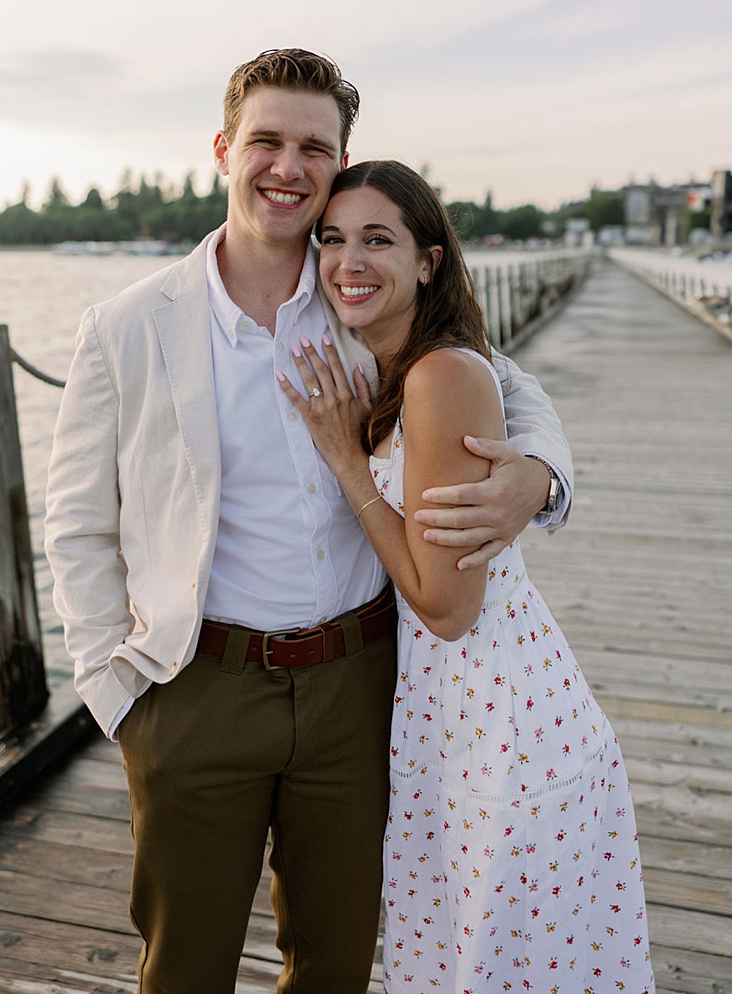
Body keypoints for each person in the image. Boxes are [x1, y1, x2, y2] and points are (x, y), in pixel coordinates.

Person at [43, 48, 575, 991]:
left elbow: (505, 385)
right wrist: (116, 698)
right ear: (223, 149)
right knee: (184, 966)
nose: (289, 167)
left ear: (339, 163)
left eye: (315, 148)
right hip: (194, 688)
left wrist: (538, 477)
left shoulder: (362, 296)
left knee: (336, 962)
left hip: (362, 683)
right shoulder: (128, 325)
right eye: (268, 141)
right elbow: (79, 523)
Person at [280, 159, 650, 989]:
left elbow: (447, 606)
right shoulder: (382, 354)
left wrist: (347, 461)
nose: (349, 261)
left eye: (379, 239)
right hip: (447, 719)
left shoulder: (439, 373)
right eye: (332, 239)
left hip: (502, 727)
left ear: (429, 260)